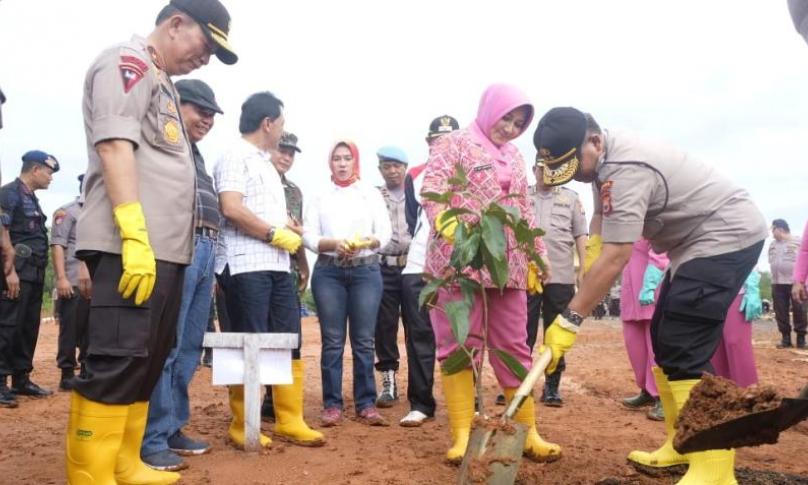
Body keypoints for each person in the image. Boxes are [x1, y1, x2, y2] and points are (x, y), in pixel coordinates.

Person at [533, 107, 768, 485]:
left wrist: (569, 320)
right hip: (691, 244)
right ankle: (683, 444)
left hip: (724, 235)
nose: (576, 175)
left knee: (684, 344)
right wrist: (590, 254)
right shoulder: (601, 162)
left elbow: (619, 255)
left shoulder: (626, 169)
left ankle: (715, 467)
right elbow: (600, 221)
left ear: (594, 141)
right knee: (664, 337)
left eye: (575, 166)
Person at [67, 0, 237, 482]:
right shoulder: (128, 63)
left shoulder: (160, 80)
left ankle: (124, 461)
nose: (205, 60)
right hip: (130, 246)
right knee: (116, 361)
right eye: (206, 46)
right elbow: (115, 145)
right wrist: (134, 234)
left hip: (165, 252)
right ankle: (91, 473)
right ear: (176, 23)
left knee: (147, 360)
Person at [422, 84, 559, 464]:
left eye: (519, 123)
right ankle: (464, 433)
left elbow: (525, 211)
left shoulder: (516, 156)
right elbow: (432, 189)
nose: (512, 128)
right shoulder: (454, 143)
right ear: (489, 110)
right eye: (507, 118)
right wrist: (452, 227)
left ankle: (527, 432)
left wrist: (537, 256)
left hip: (508, 265)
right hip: (459, 260)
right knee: (459, 343)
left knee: (515, 345)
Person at [215, 92, 324, 449]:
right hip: (245, 265)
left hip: (277, 266)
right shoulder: (235, 156)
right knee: (247, 342)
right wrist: (273, 233)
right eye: (282, 123)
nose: (283, 130)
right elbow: (231, 207)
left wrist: (292, 243)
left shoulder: (265, 163)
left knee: (285, 340)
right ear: (268, 123)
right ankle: (241, 423)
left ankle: (289, 419)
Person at [140, 78, 224, 471]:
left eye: (211, 114)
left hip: (206, 250)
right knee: (167, 346)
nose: (207, 119)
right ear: (176, 105)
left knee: (190, 346)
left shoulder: (196, 153)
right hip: (178, 245)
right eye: (200, 110)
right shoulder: (166, 143)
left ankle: (172, 427)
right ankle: (152, 436)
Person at [303, 140, 391, 427]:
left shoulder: (369, 194)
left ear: (356, 161)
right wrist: (333, 244)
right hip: (329, 272)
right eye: (337, 158)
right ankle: (332, 404)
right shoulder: (319, 195)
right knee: (332, 341)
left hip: (365, 271)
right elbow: (309, 236)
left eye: (347, 158)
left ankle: (366, 403)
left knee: (364, 341)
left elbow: (385, 233)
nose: (342, 163)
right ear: (330, 162)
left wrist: (369, 242)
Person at [397, 115, 459, 427]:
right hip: (419, 264)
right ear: (428, 142)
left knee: (463, 337)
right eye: (437, 140)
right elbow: (413, 219)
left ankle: (467, 405)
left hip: (459, 268)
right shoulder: (416, 175)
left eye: (450, 139)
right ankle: (421, 403)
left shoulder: (470, 174)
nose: (443, 146)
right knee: (419, 336)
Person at [525, 162, 587, 407]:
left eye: (552, 168)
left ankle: (552, 385)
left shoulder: (571, 198)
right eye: (541, 168)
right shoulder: (522, 196)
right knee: (521, 332)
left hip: (560, 275)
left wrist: (584, 267)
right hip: (527, 277)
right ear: (534, 170)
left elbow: (581, 234)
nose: (546, 173)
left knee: (556, 330)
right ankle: (519, 381)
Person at [0, 150, 59, 404]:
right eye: (48, 172)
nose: (51, 178)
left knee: (27, 326)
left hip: (33, 273)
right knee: (7, 326)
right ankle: (1, 382)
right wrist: (9, 271)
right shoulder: (9, 193)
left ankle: (21, 379)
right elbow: (2, 228)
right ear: (35, 170)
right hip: (15, 273)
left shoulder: (31, 198)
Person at [260, 131, 309, 422]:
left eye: (291, 152)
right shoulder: (256, 181)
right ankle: (264, 397)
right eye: (282, 150)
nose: (286, 156)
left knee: (289, 335)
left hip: (286, 268)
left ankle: (280, 400)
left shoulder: (294, 191)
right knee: (260, 333)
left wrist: (303, 263)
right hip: (257, 266)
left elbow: (297, 229)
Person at [373, 145, 412, 408]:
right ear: (381, 169)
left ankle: (419, 385)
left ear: (405, 168)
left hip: (412, 266)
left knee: (417, 325)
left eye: (397, 165)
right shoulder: (374, 195)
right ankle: (389, 381)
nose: (393, 170)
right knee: (384, 325)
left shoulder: (417, 193)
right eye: (387, 166)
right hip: (383, 265)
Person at [619, 240, 669, 421]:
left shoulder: (651, 216)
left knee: (656, 348)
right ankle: (647, 390)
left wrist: (650, 283)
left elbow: (661, 251)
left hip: (652, 288)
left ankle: (663, 396)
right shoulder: (626, 224)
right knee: (635, 346)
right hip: (630, 289)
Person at [51, 175, 92, 392]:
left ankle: (86, 369)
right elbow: (58, 245)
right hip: (74, 280)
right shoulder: (68, 211)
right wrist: (61, 278)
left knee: (92, 330)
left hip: (97, 283)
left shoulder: (102, 212)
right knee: (71, 329)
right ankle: (67, 373)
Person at [768, 219, 805, 348]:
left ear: (780, 229)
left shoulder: (798, 241)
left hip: (796, 283)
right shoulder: (772, 245)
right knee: (780, 312)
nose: (772, 233)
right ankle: (786, 338)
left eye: (773, 230)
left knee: (800, 310)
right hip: (777, 283)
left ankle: (801, 339)